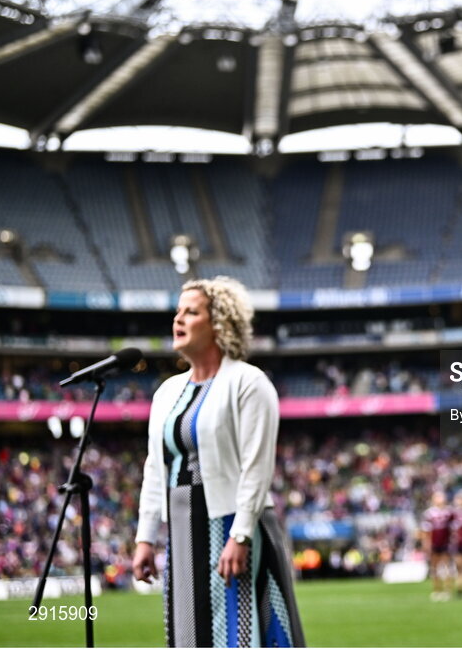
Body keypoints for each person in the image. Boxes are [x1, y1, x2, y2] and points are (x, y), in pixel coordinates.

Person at [132, 277, 305, 647]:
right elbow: (154, 468)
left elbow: (257, 467)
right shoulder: (166, 393)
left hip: (231, 526)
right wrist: (145, 537)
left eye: (191, 312)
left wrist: (239, 534)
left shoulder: (248, 382)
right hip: (181, 529)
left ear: (219, 324)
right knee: (188, 632)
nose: (178, 319)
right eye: (178, 311)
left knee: (238, 631)